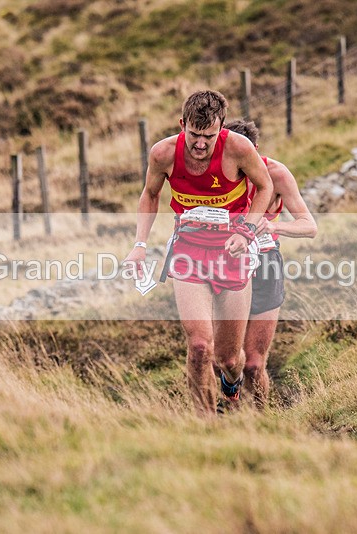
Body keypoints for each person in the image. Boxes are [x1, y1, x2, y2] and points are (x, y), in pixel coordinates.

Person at [123, 91, 274, 416]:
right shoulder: (163, 153)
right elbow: (150, 194)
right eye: (194, 134)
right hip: (189, 252)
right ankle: (205, 423)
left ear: (221, 129)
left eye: (209, 136)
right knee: (200, 346)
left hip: (233, 253)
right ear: (182, 125)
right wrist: (139, 245)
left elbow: (265, 187)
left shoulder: (238, 148)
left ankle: (231, 384)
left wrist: (246, 231)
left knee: (229, 360)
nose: (201, 144)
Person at [225, 119, 317, 409]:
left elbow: (309, 226)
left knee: (254, 364)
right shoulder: (214, 175)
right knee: (226, 360)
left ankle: (262, 418)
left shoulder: (276, 173)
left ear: (255, 150)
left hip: (265, 265)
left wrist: (275, 227)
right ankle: (229, 406)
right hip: (226, 265)